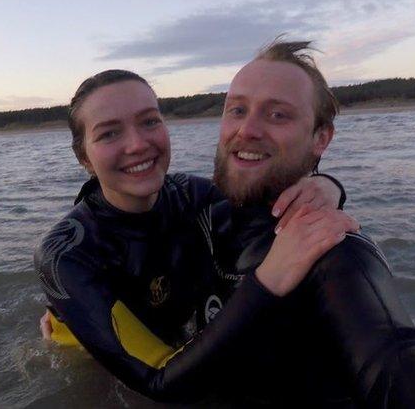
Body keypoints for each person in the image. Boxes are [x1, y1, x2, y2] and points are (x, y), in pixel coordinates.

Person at [198, 40, 415, 407]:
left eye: (278, 115)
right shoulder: (195, 212)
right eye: (237, 110)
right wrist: (330, 183)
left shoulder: (336, 251)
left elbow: (394, 357)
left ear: (321, 138)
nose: (247, 129)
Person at [33, 69, 356, 402]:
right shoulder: (66, 254)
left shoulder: (192, 194)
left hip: (175, 342)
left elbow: (265, 206)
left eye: (149, 122)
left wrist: (325, 186)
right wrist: (269, 279)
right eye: (109, 134)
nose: (138, 144)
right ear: (84, 157)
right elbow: (161, 382)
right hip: (91, 362)